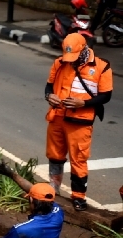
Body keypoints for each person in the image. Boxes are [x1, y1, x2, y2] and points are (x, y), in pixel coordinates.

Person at [44, 33, 113, 211]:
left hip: (80, 121)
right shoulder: (59, 63)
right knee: (54, 156)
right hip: (57, 116)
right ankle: (53, 190)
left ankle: (78, 197)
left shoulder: (102, 66)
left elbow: (106, 96)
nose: (70, 61)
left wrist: (83, 103)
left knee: (79, 159)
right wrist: (48, 96)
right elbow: (49, 85)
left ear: (83, 49)